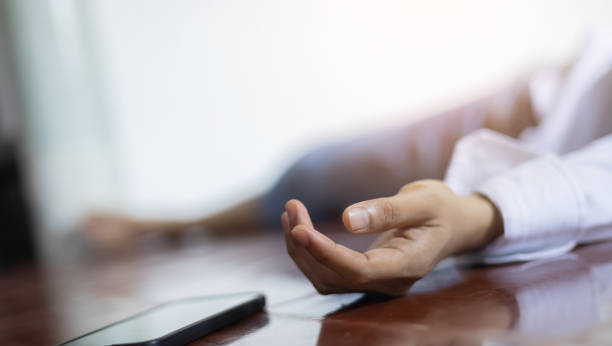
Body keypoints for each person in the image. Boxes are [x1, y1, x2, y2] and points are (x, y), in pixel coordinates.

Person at [85, 29, 612, 295]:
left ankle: (173, 222)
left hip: (572, 153)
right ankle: (182, 221)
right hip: (553, 94)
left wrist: (471, 215)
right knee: (314, 170)